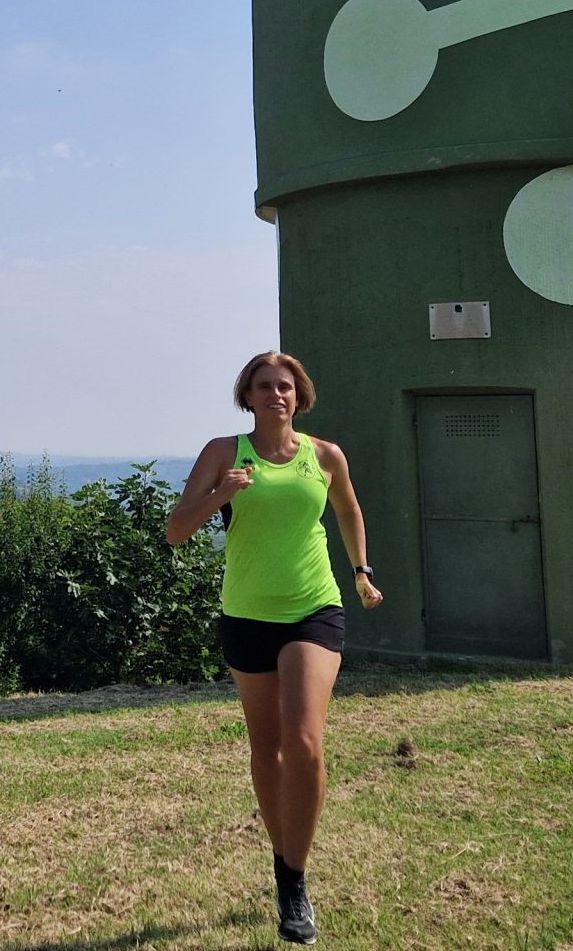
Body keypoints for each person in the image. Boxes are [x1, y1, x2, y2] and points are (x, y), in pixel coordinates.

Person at [165, 350, 380, 946]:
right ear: (248, 396)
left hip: (314, 608)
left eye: (284, 386)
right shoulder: (222, 453)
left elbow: (349, 510)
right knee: (267, 748)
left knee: (305, 743)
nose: (275, 395)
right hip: (247, 614)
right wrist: (221, 494)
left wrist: (361, 571)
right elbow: (176, 531)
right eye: (263, 386)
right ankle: (281, 860)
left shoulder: (324, 455)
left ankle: (294, 877)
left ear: (299, 395)